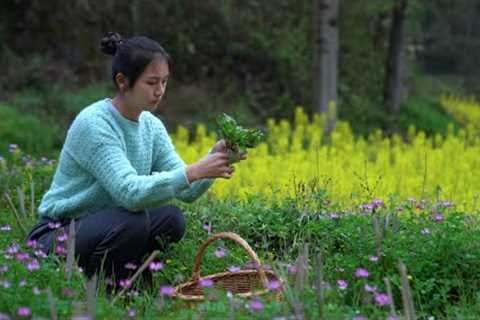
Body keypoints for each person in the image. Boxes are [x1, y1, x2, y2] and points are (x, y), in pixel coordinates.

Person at [26, 32, 243, 286]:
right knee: (134, 220)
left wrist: (214, 160)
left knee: (171, 218)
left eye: (164, 82)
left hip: (107, 226)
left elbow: (187, 192)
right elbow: (129, 193)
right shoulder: (94, 124)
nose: (160, 91)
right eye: (151, 82)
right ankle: (94, 287)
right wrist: (194, 171)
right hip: (57, 235)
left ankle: (129, 278)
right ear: (122, 81)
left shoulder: (151, 125)